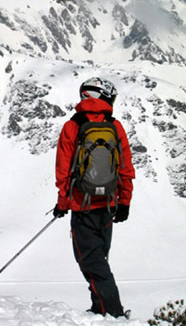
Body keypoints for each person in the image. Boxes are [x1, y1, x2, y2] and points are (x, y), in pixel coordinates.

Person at [53, 77, 135, 318]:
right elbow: (126, 168)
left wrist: (62, 203)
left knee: (92, 263)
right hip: (109, 206)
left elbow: (63, 171)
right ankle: (100, 309)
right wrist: (125, 202)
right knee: (99, 260)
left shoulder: (72, 126)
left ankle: (114, 314)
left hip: (83, 207)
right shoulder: (115, 126)